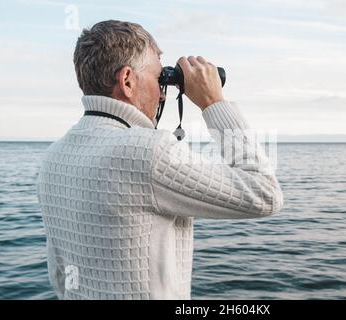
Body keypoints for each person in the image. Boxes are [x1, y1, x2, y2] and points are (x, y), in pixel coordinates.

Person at [36, 20, 283, 300]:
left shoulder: (54, 157)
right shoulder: (147, 151)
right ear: (127, 81)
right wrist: (214, 102)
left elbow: (60, 277)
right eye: (158, 78)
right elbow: (263, 194)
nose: (163, 91)